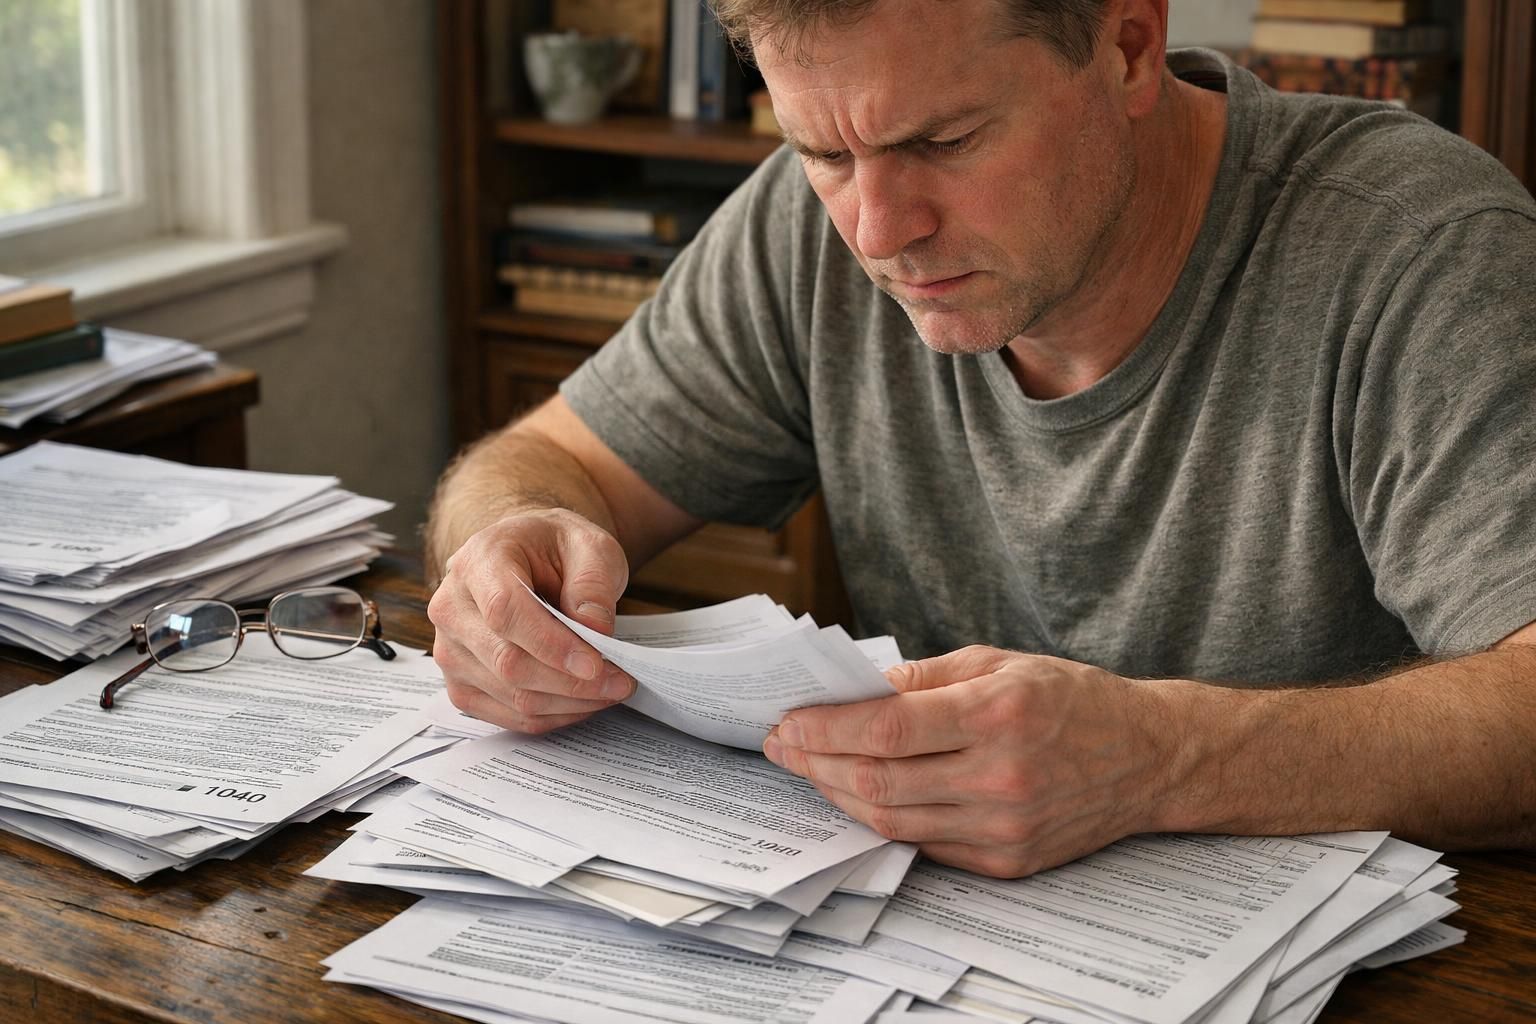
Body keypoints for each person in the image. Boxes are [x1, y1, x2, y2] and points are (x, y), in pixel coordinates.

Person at [425, 0, 1536, 878]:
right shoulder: (815, 219)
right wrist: (504, 548)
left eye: (947, 140)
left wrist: (1162, 757)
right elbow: (550, 462)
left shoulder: (1420, 251)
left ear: (1130, 47)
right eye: (820, 150)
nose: (878, 231)